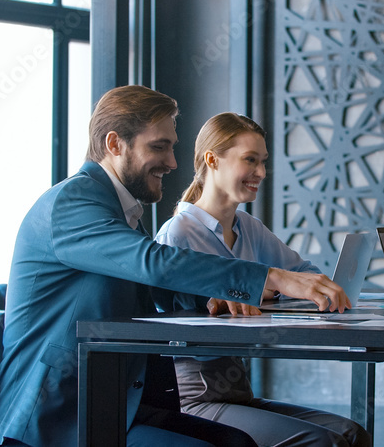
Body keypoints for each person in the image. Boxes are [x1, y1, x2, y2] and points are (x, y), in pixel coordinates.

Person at [0, 86, 351, 447]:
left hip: (117, 403)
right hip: (56, 416)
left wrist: (211, 297)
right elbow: (152, 263)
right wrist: (271, 277)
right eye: (158, 146)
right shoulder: (72, 201)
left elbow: (158, 290)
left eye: (172, 147)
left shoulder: (122, 210)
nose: (174, 162)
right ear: (115, 144)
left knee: (237, 442)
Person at [155, 112, 372, 447]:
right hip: (195, 398)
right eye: (250, 160)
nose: (261, 173)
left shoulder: (247, 227)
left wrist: (265, 289)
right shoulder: (178, 233)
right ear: (213, 160)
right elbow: (190, 320)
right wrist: (265, 287)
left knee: (352, 434)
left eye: (263, 161)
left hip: (238, 391)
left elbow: (306, 276)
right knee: (324, 443)